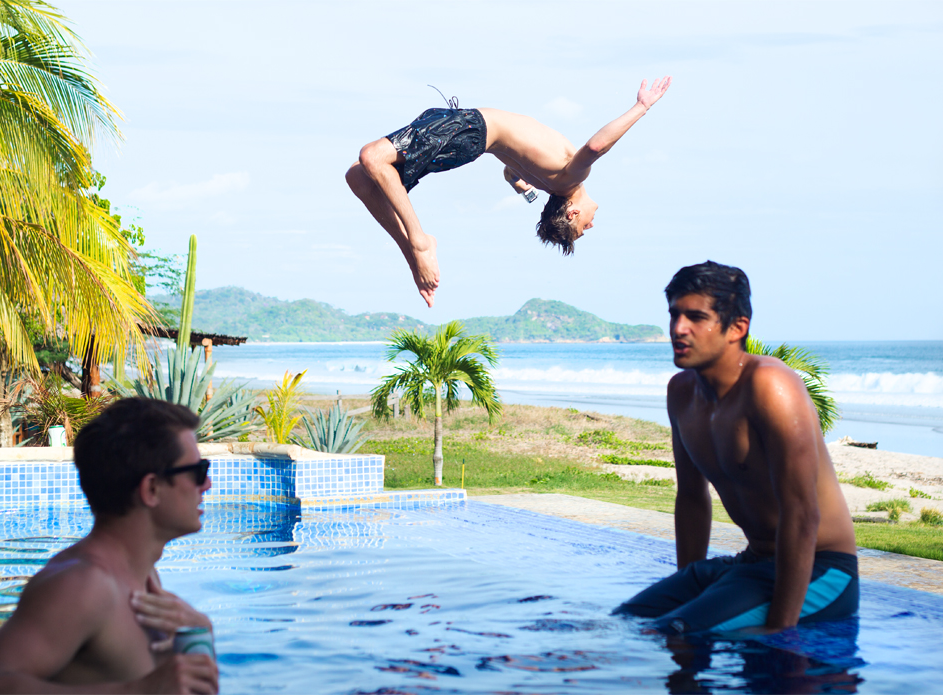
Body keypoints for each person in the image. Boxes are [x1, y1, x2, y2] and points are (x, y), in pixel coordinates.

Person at [612, 261, 859, 635]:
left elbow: (802, 511)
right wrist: (688, 585)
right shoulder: (681, 393)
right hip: (751, 562)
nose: (678, 329)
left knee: (673, 632)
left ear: (737, 328)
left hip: (822, 569)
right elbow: (692, 498)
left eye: (696, 317)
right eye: (675, 315)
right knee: (624, 623)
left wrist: (781, 630)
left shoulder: (771, 387)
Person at [0, 398, 220, 694]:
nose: (208, 484)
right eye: (198, 471)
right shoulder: (83, 584)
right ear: (151, 489)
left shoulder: (145, 579)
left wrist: (201, 632)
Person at [345, 76, 672, 307]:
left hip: (469, 129)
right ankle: (415, 257)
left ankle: (418, 242)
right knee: (359, 178)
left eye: (583, 227)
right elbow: (512, 166)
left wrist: (641, 107)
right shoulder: (548, 182)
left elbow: (597, 146)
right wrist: (519, 186)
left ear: (572, 212)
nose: (591, 224)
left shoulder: (572, 177)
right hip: (467, 137)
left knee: (372, 158)